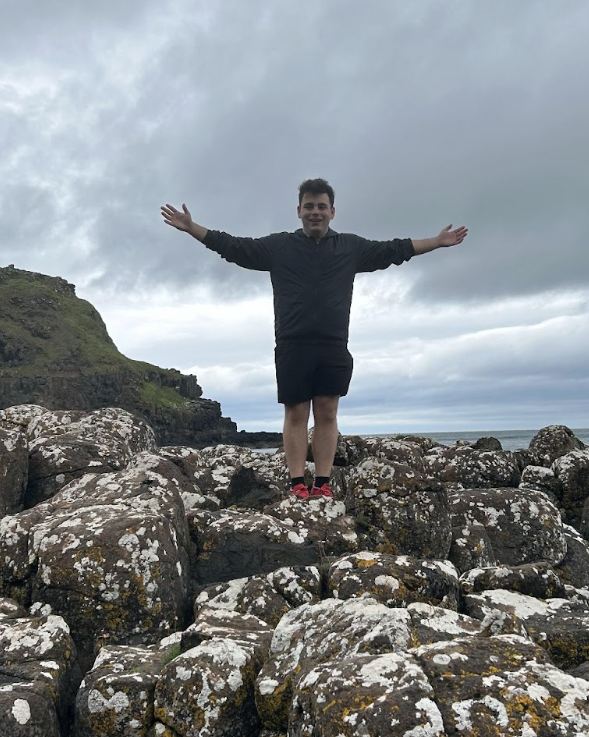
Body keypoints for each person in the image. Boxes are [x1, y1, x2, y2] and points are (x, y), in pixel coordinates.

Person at [161, 178, 467, 501]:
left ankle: (322, 482)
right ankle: (297, 484)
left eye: (322, 206)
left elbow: (395, 250)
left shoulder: (350, 247)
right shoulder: (278, 247)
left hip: (333, 344)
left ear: (333, 211)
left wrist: (436, 241)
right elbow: (234, 247)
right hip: (293, 343)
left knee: (327, 412)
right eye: (309, 206)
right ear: (298, 211)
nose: (315, 212)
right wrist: (192, 228)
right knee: (296, 413)